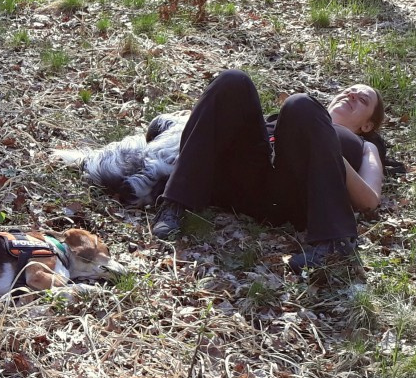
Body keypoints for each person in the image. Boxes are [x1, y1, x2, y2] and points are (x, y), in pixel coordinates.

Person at [150, 69, 391, 273]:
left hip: (292, 193)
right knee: (233, 80)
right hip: (246, 180)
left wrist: (325, 148)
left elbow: (370, 201)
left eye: (362, 100)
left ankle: (334, 245)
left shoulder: (365, 145)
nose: (351, 95)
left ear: (367, 125)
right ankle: (176, 204)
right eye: (349, 91)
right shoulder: (287, 117)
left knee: (300, 103)